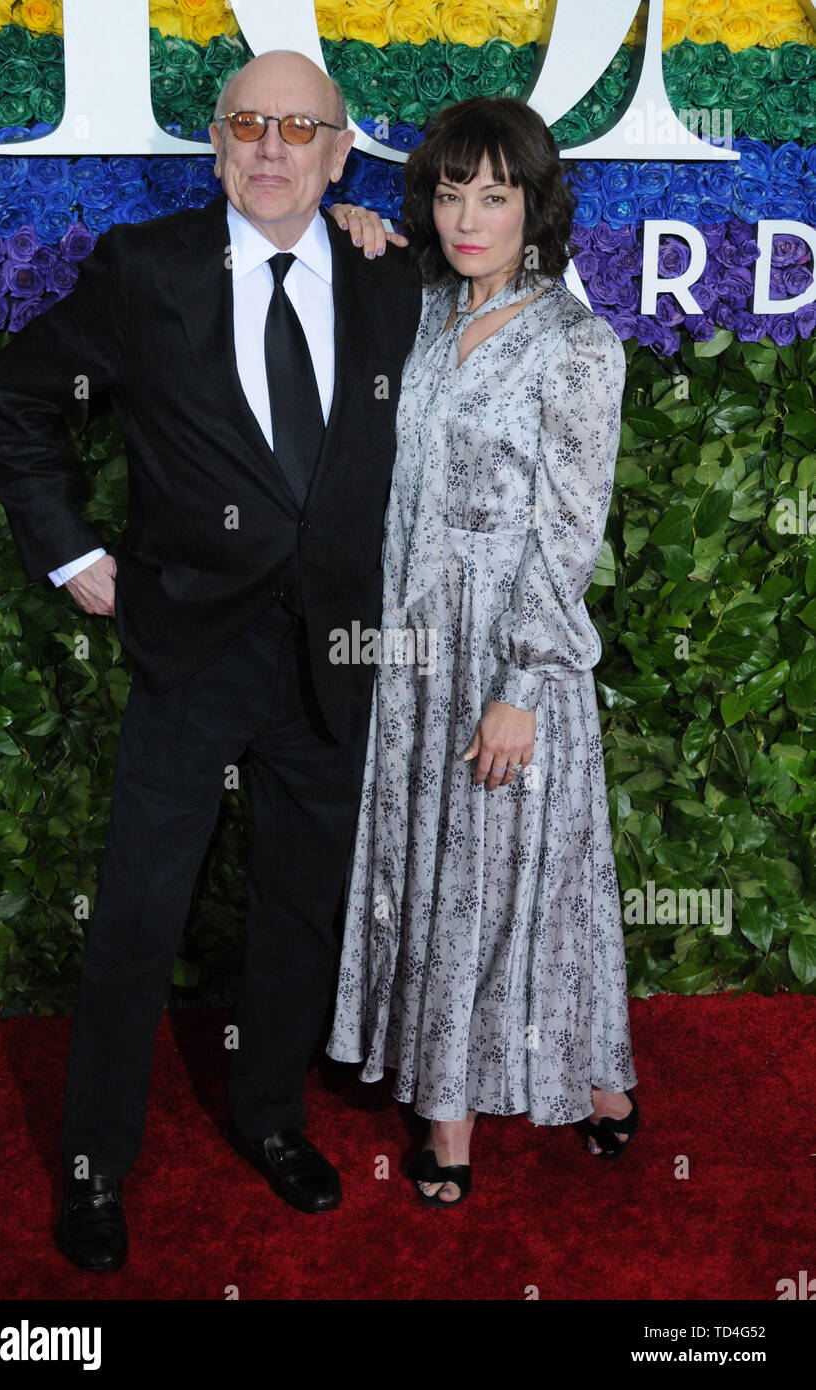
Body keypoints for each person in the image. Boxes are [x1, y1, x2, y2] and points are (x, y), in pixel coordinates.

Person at [0, 50, 421, 1269]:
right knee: (136, 916)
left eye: (298, 128)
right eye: (246, 125)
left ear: (341, 154)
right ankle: (93, 1164)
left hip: (337, 651)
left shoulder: (390, 274)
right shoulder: (146, 270)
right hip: (188, 651)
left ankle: (271, 1116)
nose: (270, 147)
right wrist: (71, 553)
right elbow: (22, 400)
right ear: (218, 145)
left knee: (299, 906)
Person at [325, 97, 639, 1205]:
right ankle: (454, 1092)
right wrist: (357, 228)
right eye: (450, 192)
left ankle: (562, 1090)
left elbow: (569, 528)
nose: (467, 216)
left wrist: (522, 686)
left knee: (522, 875)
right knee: (434, 866)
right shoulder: (413, 313)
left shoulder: (575, 344)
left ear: (533, 205)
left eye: (493, 195)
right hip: (410, 644)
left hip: (512, 649)